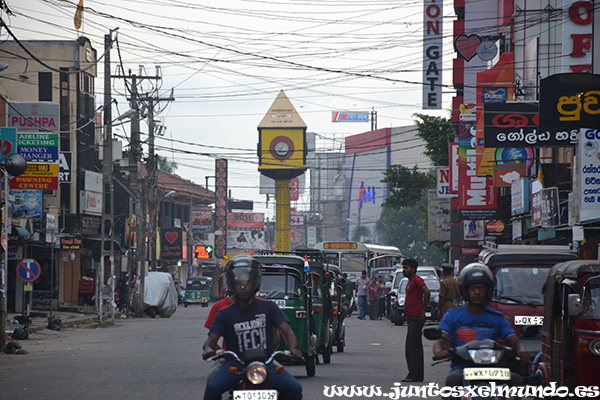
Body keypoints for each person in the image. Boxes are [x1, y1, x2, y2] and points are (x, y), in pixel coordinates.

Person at [203, 256, 303, 400]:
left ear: (254, 283)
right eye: (238, 283)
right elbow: (210, 341)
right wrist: (210, 350)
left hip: (267, 363)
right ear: (232, 284)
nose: (243, 287)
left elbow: (287, 331)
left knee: (294, 387)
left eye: (247, 283)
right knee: (213, 388)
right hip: (235, 364)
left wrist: (293, 348)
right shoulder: (224, 313)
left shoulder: (269, 307)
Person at [433, 263, 529, 393]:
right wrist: (439, 350)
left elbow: (512, 339)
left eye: (481, 288)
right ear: (465, 291)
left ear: (488, 290)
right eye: (473, 288)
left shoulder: (497, 317)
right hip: (462, 369)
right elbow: (441, 338)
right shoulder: (453, 315)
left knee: (516, 380)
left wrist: (521, 349)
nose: (477, 292)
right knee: (452, 380)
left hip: (493, 371)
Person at [401, 258, 430, 382]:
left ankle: (413, 374)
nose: (404, 270)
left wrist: (422, 311)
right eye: (403, 267)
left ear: (413, 269)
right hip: (411, 316)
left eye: (406, 268)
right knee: (416, 346)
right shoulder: (410, 281)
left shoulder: (417, 280)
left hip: (416, 316)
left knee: (411, 346)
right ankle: (418, 375)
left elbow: (427, 293)